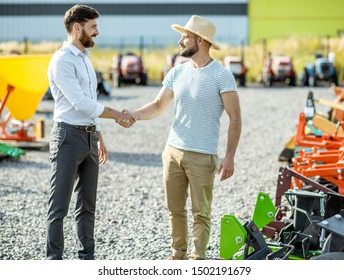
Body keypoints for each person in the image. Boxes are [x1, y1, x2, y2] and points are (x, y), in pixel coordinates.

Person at [120, 15, 242, 260]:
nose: (180, 40)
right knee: (175, 209)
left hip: (203, 155)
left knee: (201, 213)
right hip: (172, 151)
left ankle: (197, 260)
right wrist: (133, 114)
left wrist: (229, 157)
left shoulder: (222, 76)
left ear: (199, 40)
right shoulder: (177, 72)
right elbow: (157, 105)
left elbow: (235, 118)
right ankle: (178, 255)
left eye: (185, 36)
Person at [46, 4, 134, 260]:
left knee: (88, 206)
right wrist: (118, 114)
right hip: (67, 137)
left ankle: (87, 259)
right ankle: (54, 261)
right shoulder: (61, 60)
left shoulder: (85, 59)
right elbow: (80, 103)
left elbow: (90, 99)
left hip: (88, 137)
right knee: (58, 206)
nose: (97, 31)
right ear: (77, 27)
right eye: (93, 26)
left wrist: (99, 136)